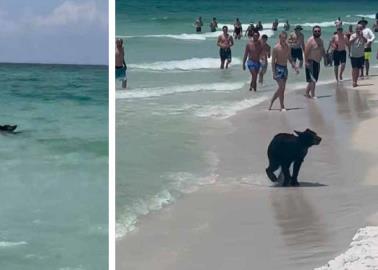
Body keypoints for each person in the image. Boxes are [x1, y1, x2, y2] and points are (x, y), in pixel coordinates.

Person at [269, 32, 299, 111]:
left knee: (282, 89)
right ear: (279, 37)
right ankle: (278, 104)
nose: (284, 39)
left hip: (285, 68)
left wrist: (295, 66)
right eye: (283, 38)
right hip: (278, 68)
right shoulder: (276, 48)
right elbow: (272, 61)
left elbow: (290, 58)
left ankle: (278, 104)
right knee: (281, 87)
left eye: (285, 38)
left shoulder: (288, 47)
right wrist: (274, 72)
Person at [304, 25, 326, 98]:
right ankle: (313, 95)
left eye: (318, 31)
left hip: (317, 62)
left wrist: (325, 58)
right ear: (313, 32)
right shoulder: (310, 40)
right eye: (315, 31)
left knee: (313, 80)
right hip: (311, 62)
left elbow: (322, 50)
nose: (317, 32)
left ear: (320, 32)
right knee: (313, 80)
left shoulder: (321, 40)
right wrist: (306, 62)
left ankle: (307, 93)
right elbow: (306, 52)